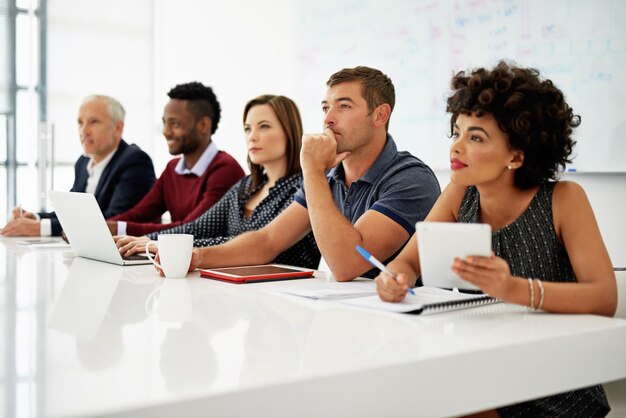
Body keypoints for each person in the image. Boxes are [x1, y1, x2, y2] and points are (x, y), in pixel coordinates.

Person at [375, 61, 616, 417]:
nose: (456, 148)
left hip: (555, 380)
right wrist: (394, 277)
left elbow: (604, 297)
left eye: (476, 137)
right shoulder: (460, 192)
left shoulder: (564, 199)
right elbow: (409, 260)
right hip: (483, 366)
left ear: (516, 155)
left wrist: (512, 287)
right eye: (457, 132)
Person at [172, 66, 440, 280]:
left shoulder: (411, 179)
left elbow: (347, 265)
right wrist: (198, 257)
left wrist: (311, 169)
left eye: (344, 106)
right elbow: (267, 240)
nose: (327, 119)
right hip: (353, 314)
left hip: (404, 327)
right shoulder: (329, 176)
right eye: (326, 107)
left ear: (380, 115)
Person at [115, 94, 320, 269]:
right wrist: (151, 239)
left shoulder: (304, 187)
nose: (252, 136)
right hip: (238, 294)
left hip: (284, 297)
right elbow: (199, 227)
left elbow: (250, 247)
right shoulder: (245, 187)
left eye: (264, 127)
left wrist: (168, 245)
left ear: (290, 132)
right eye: (248, 129)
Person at [1, 95, 155, 237]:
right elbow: (73, 213)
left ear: (118, 128)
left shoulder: (135, 162)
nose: (84, 131)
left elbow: (112, 221)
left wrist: (42, 227)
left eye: (94, 122)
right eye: (80, 122)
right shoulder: (83, 163)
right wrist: (35, 217)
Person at [105, 82, 245, 236]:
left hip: (210, 257)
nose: (166, 132)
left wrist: (119, 229)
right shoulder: (172, 169)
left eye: (175, 124)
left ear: (204, 125)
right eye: (165, 123)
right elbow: (139, 215)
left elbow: (192, 228)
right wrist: (103, 227)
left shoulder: (225, 169)